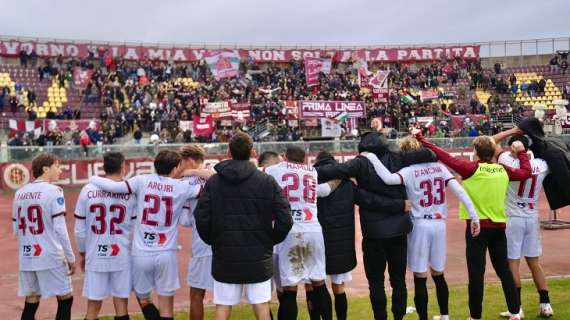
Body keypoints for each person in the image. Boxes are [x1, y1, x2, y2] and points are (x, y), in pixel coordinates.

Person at [316, 131, 435, 320]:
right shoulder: (398, 157)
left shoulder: (360, 162)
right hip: (399, 230)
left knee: (376, 283)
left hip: (374, 233)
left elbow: (327, 171)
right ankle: (398, 318)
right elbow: (430, 153)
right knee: (399, 282)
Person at [415, 131, 531, 320]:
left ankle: (475, 316)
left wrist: (422, 139)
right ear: (493, 152)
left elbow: (443, 156)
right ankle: (515, 312)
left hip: (477, 228)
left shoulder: (471, 169)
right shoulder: (503, 170)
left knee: (476, 274)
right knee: (504, 271)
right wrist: (522, 153)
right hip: (499, 227)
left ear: (476, 151)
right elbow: (525, 173)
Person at [363, 136, 480, 320]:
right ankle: (444, 315)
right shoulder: (440, 167)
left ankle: (424, 317)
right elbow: (460, 191)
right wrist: (474, 216)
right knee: (438, 273)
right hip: (439, 224)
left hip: (420, 224)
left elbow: (387, 179)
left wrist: (371, 157)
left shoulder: (408, 171)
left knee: (420, 275)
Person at [88, 150, 202, 320]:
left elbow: (114, 187)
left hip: (141, 252)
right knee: (166, 307)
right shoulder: (183, 186)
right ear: (177, 167)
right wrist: (193, 172)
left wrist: (92, 178)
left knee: (143, 298)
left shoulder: (142, 180)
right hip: (166, 252)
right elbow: (212, 183)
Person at [194, 132, 293, 320]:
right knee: (262, 307)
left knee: (222, 308)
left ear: (229, 152)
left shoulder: (214, 182)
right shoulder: (266, 181)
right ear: (253, 152)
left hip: (226, 255)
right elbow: (285, 218)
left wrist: (214, 240)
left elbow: (201, 216)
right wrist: (270, 239)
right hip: (258, 255)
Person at [265, 146, 337, 320]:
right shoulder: (312, 171)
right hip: (313, 228)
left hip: (290, 230)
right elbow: (325, 189)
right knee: (319, 283)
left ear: (285, 156)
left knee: (290, 289)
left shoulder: (275, 169)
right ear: (305, 158)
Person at [495, 135, 554, 318]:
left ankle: (517, 307)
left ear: (514, 147)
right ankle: (545, 304)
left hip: (513, 217)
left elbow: (491, 142)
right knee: (534, 262)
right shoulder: (542, 164)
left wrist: (513, 132)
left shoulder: (507, 160)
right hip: (532, 216)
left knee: (513, 262)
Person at [13, 153, 75, 320]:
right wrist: (70, 257)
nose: (59, 170)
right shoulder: (54, 191)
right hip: (50, 255)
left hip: (27, 256)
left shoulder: (20, 193)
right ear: (46, 168)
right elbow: (60, 229)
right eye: (57, 166)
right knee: (65, 298)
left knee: (31, 300)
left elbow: (15, 230)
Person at [74, 152, 135, 320]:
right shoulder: (129, 191)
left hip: (95, 253)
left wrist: (83, 253)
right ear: (123, 167)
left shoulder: (88, 189)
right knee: (121, 304)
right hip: (121, 253)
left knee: (93, 305)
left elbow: (79, 229)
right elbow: (135, 227)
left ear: (104, 167)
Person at [177, 145, 213, 320]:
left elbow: (184, 220)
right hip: (225, 241)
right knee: (225, 295)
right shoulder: (216, 173)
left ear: (189, 160)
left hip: (202, 243)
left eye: (182, 162)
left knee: (197, 294)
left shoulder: (185, 182)